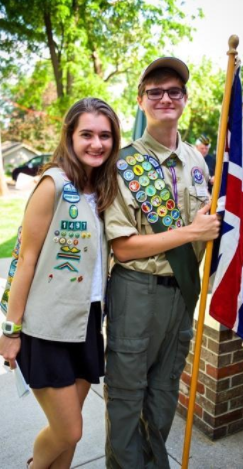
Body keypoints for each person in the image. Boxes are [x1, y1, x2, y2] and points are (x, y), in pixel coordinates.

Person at [104, 57, 220, 468]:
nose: (165, 98)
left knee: (165, 391)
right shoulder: (121, 163)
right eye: (155, 92)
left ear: (185, 100)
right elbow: (124, 248)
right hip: (137, 291)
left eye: (174, 91)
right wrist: (191, 233)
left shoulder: (197, 161)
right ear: (141, 101)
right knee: (126, 393)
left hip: (181, 296)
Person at [0, 97, 120, 469]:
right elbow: (26, 261)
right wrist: (10, 330)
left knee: (70, 430)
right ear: (69, 136)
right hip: (46, 326)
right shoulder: (52, 185)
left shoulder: (102, 189)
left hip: (86, 322)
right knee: (69, 431)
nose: (96, 143)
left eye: (105, 135)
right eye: (86, 134)